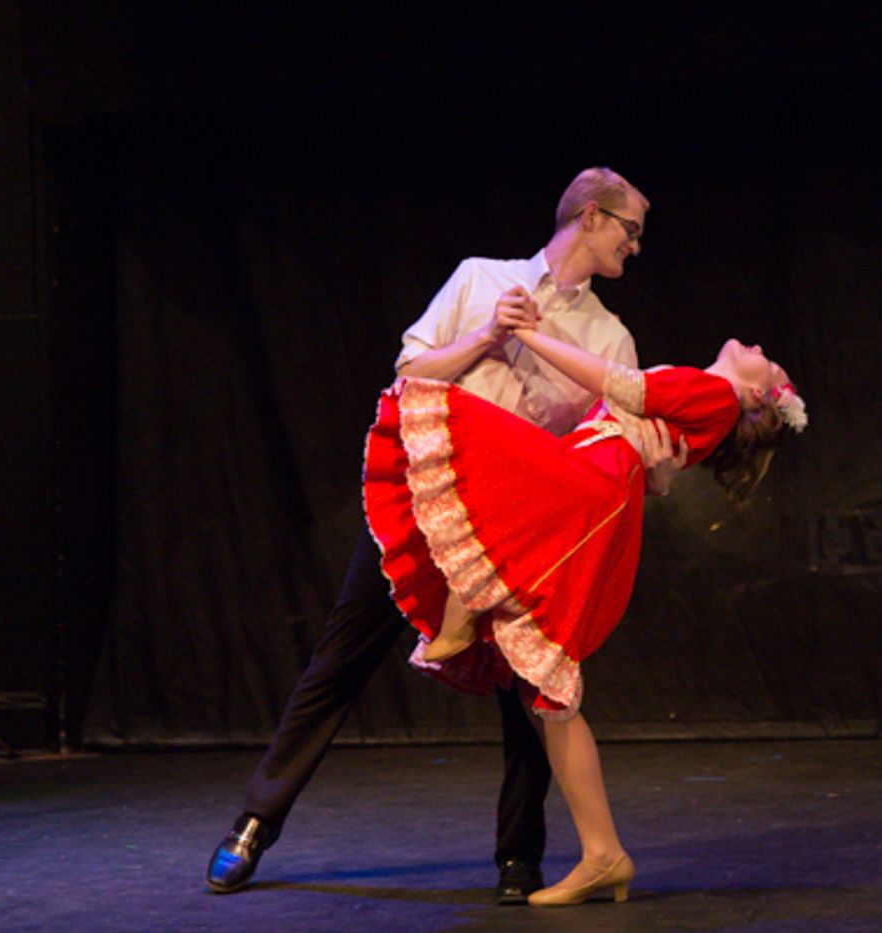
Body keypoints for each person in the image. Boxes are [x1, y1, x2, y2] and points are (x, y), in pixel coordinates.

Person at [206, 167, 686, 904]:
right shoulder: (481, 279)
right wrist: (490, 333)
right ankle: (253, 822)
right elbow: (411, 370)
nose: (635, 245)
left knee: (531, 693)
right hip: (432, 501)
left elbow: (604, 439)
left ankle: (518, 859)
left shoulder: (609, 335)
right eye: (631, 228)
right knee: (340, 658)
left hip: (512, 536)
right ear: (590, 216)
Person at [363, 325, 805, 906]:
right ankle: (603, 852)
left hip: (588, 490)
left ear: (755, 397)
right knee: (540, 692)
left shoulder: (715, 394)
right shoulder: (708, 403)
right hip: (593, 481)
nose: (758, 348)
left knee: (480, 466)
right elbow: (647, 434)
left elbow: (613, 383)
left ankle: (467, 606)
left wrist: (527, 333)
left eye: (766, 363)